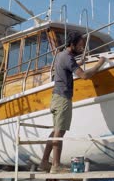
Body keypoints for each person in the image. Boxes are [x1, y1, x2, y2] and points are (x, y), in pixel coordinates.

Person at [40, 31, 107, 173]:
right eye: (81, 45)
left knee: (55, 131)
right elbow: (84, 76)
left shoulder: (61, 55)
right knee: (59, 132)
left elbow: (68, 66)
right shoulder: (68, 58)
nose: (82, 48)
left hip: (56, 98)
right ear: (72, 44)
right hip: (63, 98)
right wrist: (99, 64)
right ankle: (55, 166)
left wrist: (79, 63)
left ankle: (44, 162)